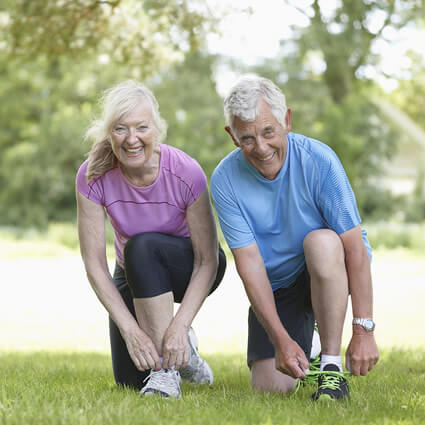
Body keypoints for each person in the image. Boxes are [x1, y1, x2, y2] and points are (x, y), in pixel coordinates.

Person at [211, 75, 379, 401]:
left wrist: (363, 330)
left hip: (330, 267)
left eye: (268, 132)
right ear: (232, 136)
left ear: (286, 120)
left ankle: (330, 368)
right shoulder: (224, 180)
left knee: (321, 242)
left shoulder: (319, 160)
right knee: (271, 386)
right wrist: (279, 339)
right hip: (280, 286)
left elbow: (354, 249)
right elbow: (250, 265)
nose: (260, 148)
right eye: (247, 138)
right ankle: (309, 344)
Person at [76, 80, 226, 399]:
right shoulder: (92, 175)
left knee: (142, 245)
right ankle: (181, 357)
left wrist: (179, 326)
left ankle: (167, 370)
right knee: (131, 379)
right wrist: (130, 331)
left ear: (156, 129)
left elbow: (207, 259)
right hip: (132, 272)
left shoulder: (186, 171)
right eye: (120, 129)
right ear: (108, 132)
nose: (132, 139)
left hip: (191, 269)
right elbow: (94, 264)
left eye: (141, 127)